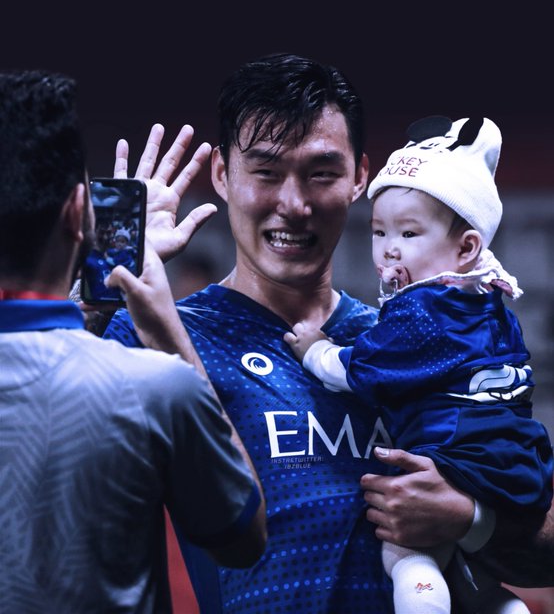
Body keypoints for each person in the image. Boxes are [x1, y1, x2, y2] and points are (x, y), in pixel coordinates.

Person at [103, 53, 554, 614]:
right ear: (222, 174)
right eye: (266, 172)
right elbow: (29, 416)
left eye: (321, 173)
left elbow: (544, 543)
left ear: (359, 178)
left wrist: (472, 518)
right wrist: (107, 271)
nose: (294, 205)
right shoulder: (160, 335)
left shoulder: (413, 340)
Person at [0, 70, 267, 614]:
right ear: (78, 212)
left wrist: (96, 297)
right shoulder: (156, 388)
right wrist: (165, 328)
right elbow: (242, 537)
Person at [284, 113, 554, 614]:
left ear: (467, 246)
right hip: (519, 462)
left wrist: (315, 348)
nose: (389, 248)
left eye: (409, 233)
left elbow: (357, 370)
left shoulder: (421, 311)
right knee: (468, 569)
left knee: (406, 550)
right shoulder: (491, 303)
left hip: (458, 456)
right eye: (379, 231)